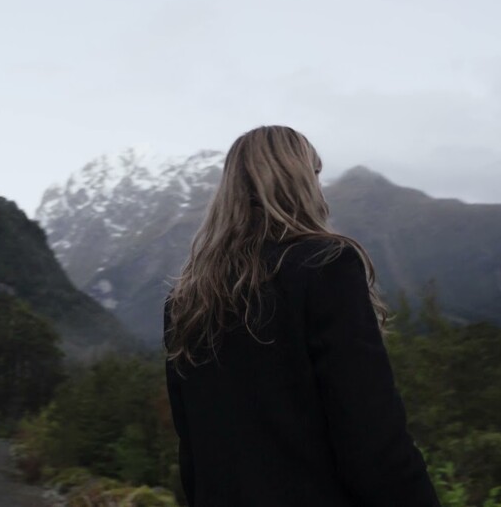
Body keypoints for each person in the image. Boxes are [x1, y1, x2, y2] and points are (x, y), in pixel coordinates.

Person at [163, 125, 441, 507]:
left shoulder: (185, 302)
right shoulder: (326, 267)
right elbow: (372, 437)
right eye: (315, 175)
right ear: (300, 182)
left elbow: (192, 451)